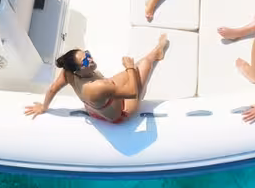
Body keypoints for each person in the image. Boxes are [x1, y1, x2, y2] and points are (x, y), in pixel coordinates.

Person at [25, 35, 170, 125]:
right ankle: (157, 53)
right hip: (122, 112)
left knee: (138, 68)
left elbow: (52, 89)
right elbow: (132, 93)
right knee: (143, 65)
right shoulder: (97, 87)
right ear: (78, 71)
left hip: (101, 102)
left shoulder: (69, 72)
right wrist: (130, 68)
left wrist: (44, 107)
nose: (91, 59)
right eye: (86, 61)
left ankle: (154, 54)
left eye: (87, 55)